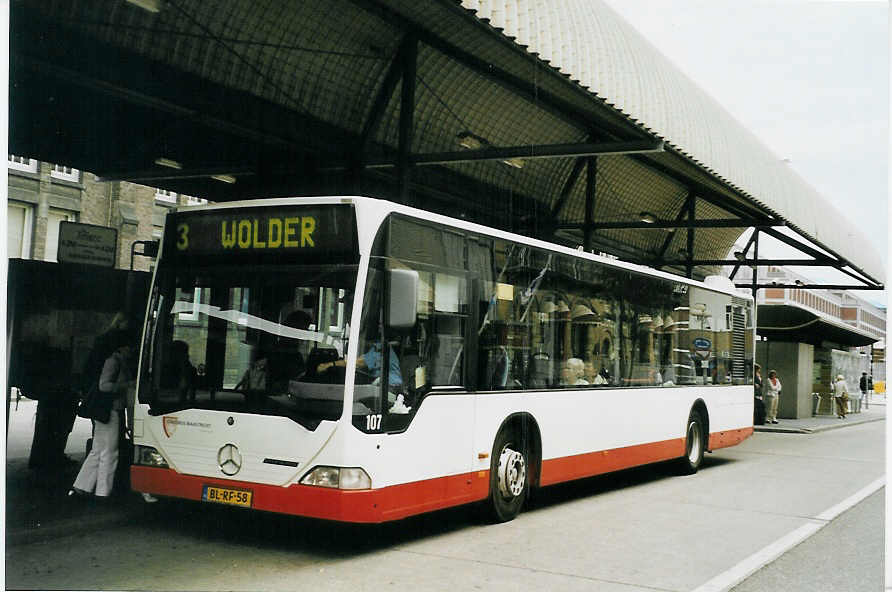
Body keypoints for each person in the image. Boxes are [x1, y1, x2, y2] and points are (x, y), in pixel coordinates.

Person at [69, 330, 134, 499]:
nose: (131, 350)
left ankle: (81, 486)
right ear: (123, 347)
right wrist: (127, 385)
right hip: (111, 410)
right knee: (110, 452)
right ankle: (103, 491)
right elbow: (104, 386)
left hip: (104, 411)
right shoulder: (115, 362)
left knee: (98, 450)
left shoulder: (113, 360)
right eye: (129, 346)